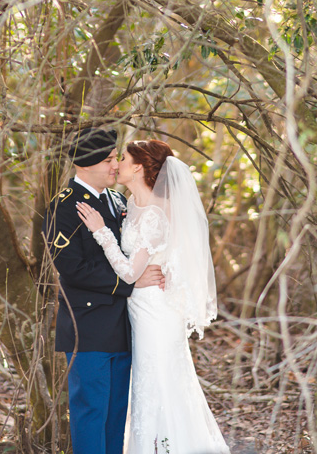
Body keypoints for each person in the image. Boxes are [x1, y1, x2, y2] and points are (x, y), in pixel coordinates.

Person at [77, 139, 231, 454]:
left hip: (155, 312)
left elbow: (130, 273)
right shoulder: (129, 204)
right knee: (148, 384)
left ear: (139, 166)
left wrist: (100, 231)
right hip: (138, 308)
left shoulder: (155, 216)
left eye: (123, 157)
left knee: (159, 382)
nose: (116, 162)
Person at [43, 128, 166, 454]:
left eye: (116, 158)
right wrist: (130, 282)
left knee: (115, 417)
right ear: (86, 164)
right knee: (91, 415)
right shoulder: (63, 208)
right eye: (109, 159)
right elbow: (73, 268)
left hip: (125, 327)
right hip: (87, 327)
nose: (115, 165)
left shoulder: (117, 200)